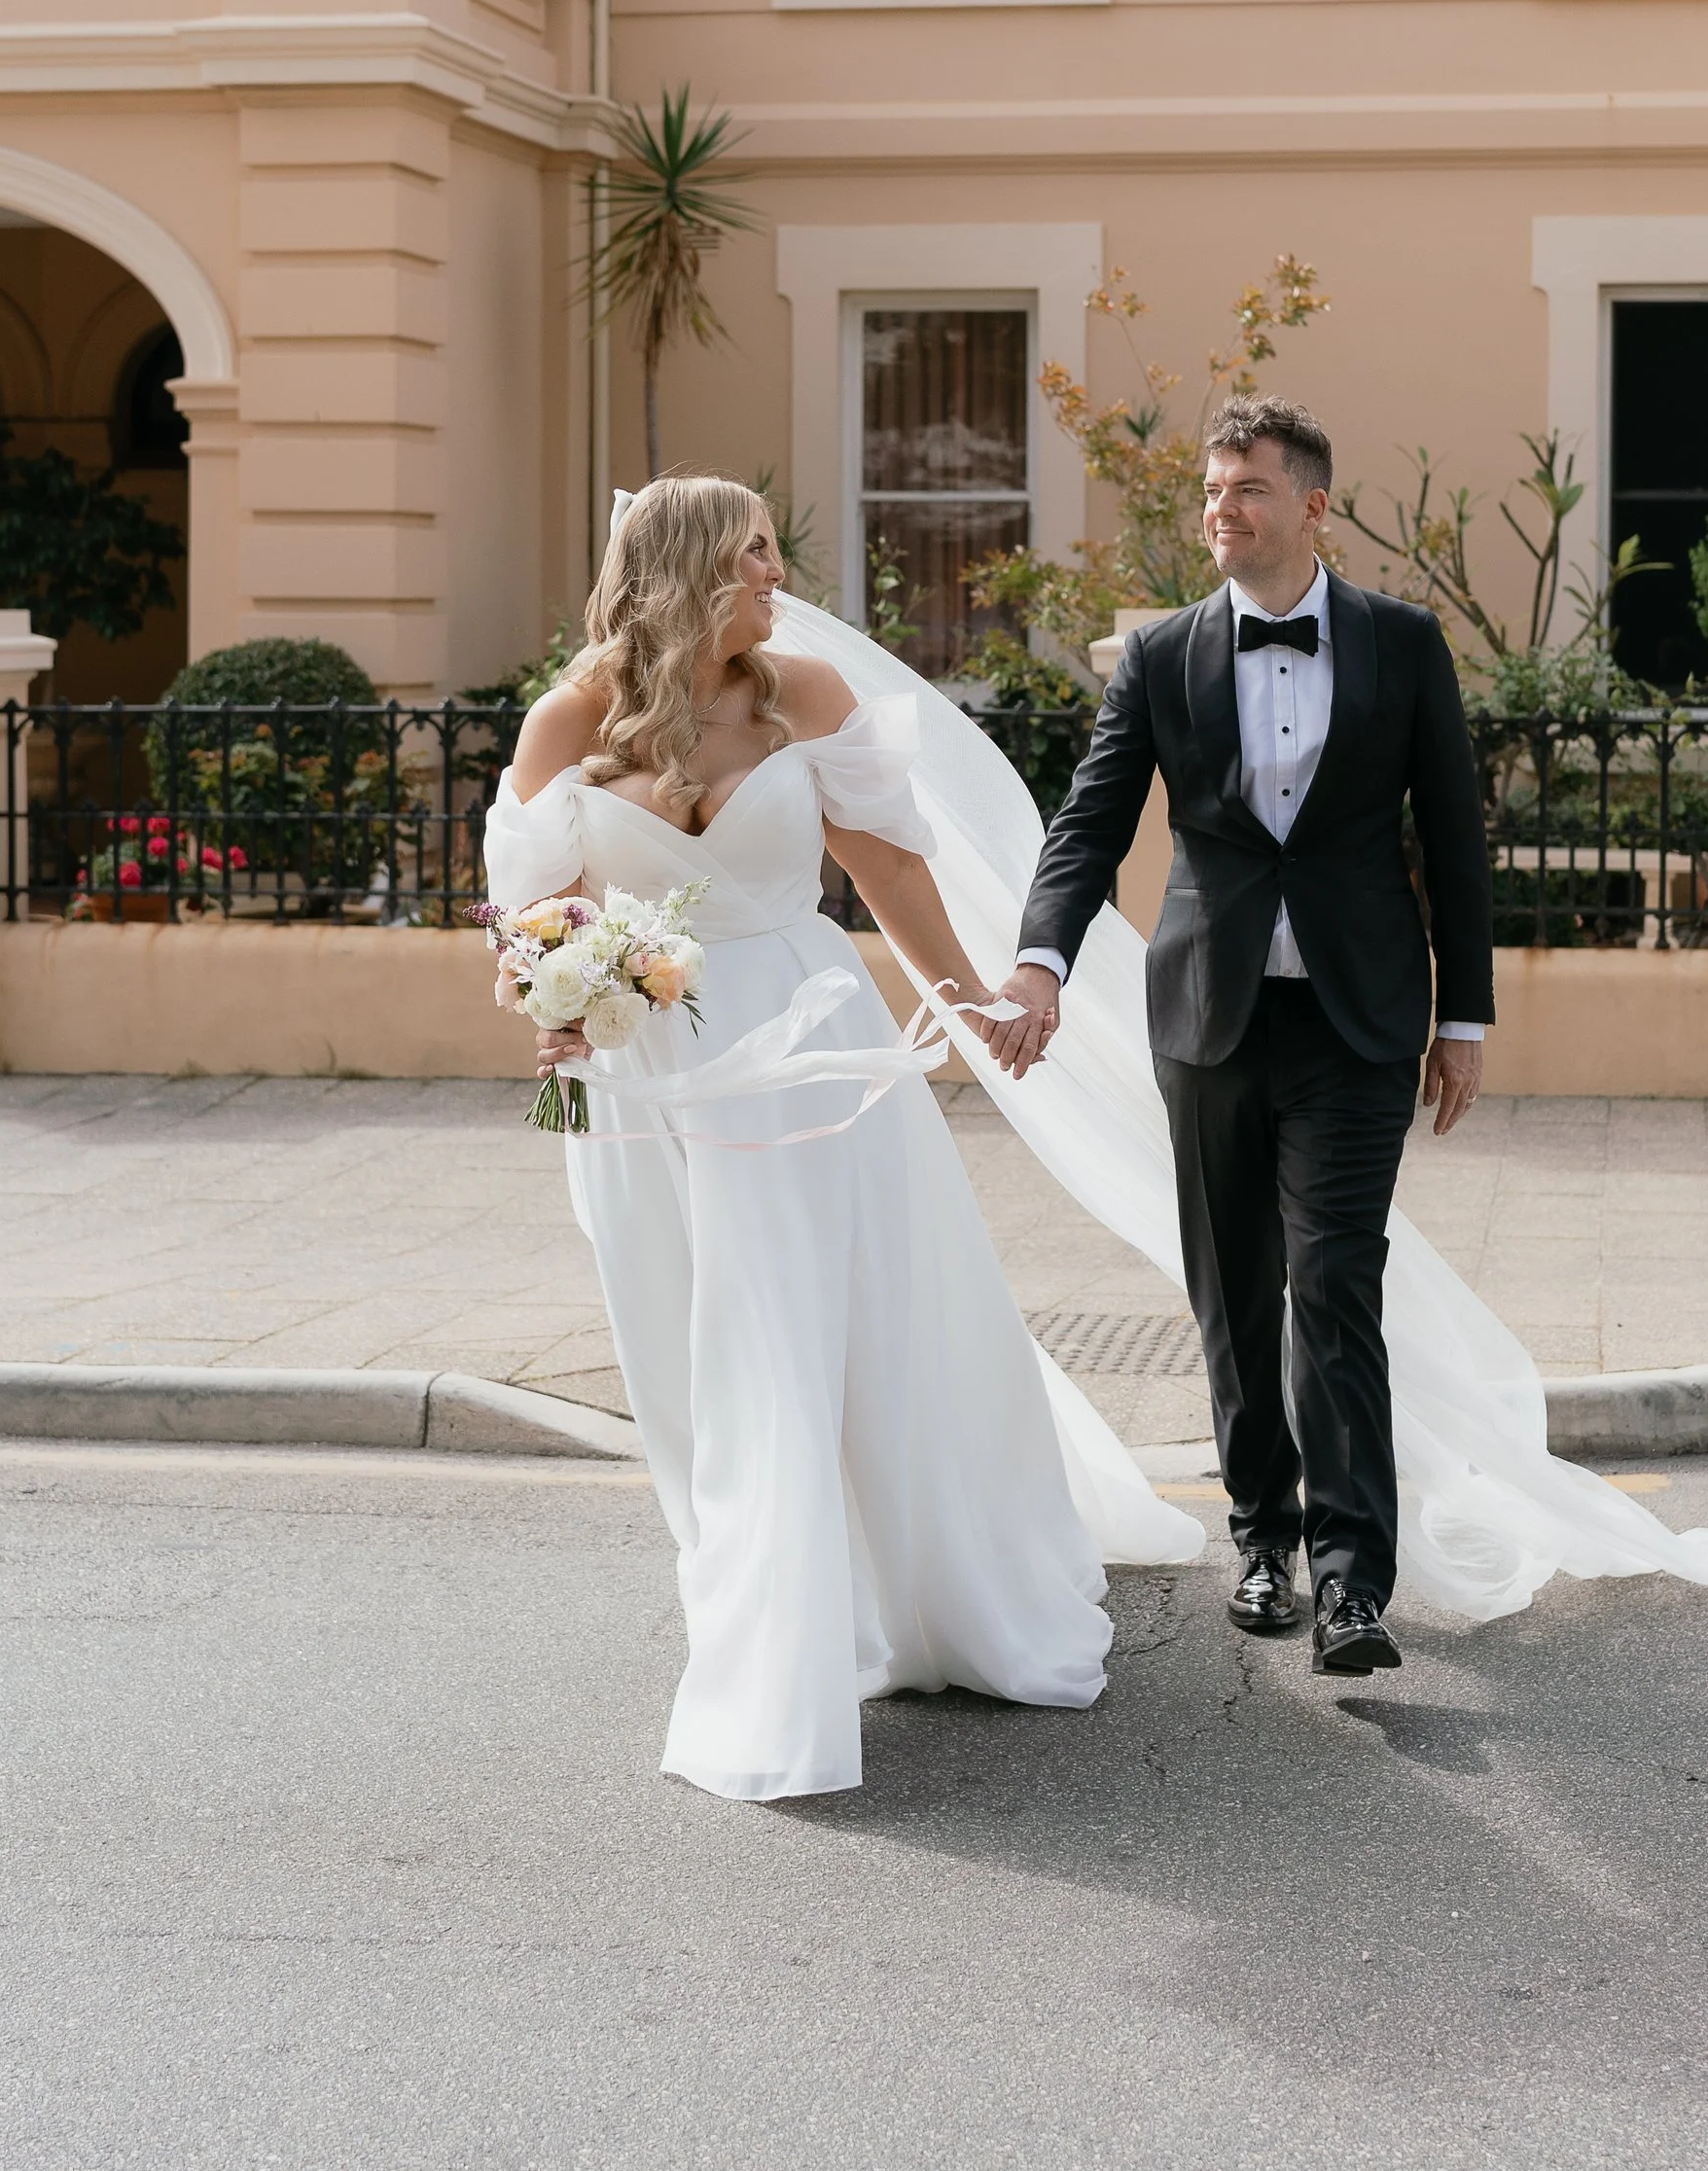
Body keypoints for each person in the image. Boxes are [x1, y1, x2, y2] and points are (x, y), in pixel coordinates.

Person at [989, 394, 1708, 1670]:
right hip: (1210, 1017)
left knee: (1335, 1280)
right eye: (1213, 490)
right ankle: (1263, 1536)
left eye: (1248, 489)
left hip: (1360, 1019)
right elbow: (1090, 821)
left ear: (1313, 505)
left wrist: (1465, 1015)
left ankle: (1350, 1577)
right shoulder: (1163, 657)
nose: (1222, 509)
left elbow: (1452, 840)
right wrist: (1041, 961)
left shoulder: (1402, 645)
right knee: (1237, 1290)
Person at [483, 475, 1197, 1806]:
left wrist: (970, 996)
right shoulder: (566, 720)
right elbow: (533, 916)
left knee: (808, 1330)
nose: (776, 577)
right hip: (650, 1082)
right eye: (755, 555)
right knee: (690, 1343)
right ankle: (753, 1587)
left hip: (810, 1051)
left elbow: (885, 867)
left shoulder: (799, 692)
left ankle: (833, 1629)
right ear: (690, 567)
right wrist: (554, 1005)